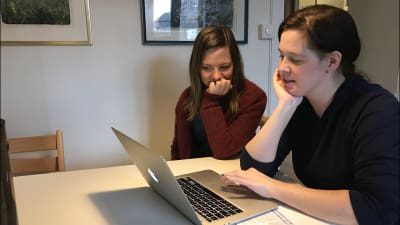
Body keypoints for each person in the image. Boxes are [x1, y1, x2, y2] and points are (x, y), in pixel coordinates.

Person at [221, 5, 399, 225]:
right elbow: (254, 169)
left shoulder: (377, 111)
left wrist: (276, 189)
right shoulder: (302, 103)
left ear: (332, 61)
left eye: (295, 60)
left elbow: (376, 210)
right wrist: (284, 107)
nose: (282, 68)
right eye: (281, 56)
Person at [171, 25, 267, 160]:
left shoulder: (254, 97)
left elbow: (225, 151)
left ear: (235, 65)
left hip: (230, 173)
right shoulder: (187, 97)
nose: (216, 76)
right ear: (196, 68)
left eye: (224, 67)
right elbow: (177, 148)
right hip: (192, 173)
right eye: (206, 68)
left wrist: (211, 100)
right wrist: (175, 175)